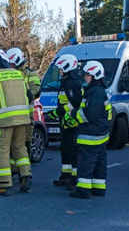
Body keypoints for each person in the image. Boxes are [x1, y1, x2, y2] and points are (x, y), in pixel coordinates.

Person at [0, 48, 33, 195]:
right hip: (23, 119)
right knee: (19, 147)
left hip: (4, 121)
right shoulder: (19, 74)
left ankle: (3, 185)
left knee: (1, 150)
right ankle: (26, 176)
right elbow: (30, 96)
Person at [68, 61, 111, 199]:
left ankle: (83, 190)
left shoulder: (95, 92)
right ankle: (98, 188)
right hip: (100, 133)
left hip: (91, 134)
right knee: (99, 163)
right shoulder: (97, 90)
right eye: (85, 75)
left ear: (96, 75)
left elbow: (89, 115)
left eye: (88, 75)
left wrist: (73, 114)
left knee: (85, 163)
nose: (85, 77)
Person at [47, 54, 83, 188]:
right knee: (65, 150)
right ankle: (66, 176)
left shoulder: (71, 84)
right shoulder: (67, 82)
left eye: (61, 69)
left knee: (73, 150)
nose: (60, 72)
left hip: (72, 123)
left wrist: (59, 112)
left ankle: (74, 178)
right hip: (66, 122)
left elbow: (76, 102)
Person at [6, 48, 41, 157]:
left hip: (26, 116)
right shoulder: (8, 73)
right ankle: (15, 170)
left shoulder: (31, 74)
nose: (10, 66)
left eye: (11, 64)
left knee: (25, 143)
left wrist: (22, 95)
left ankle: (24, 170)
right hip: (12, 115)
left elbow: (36, 92)